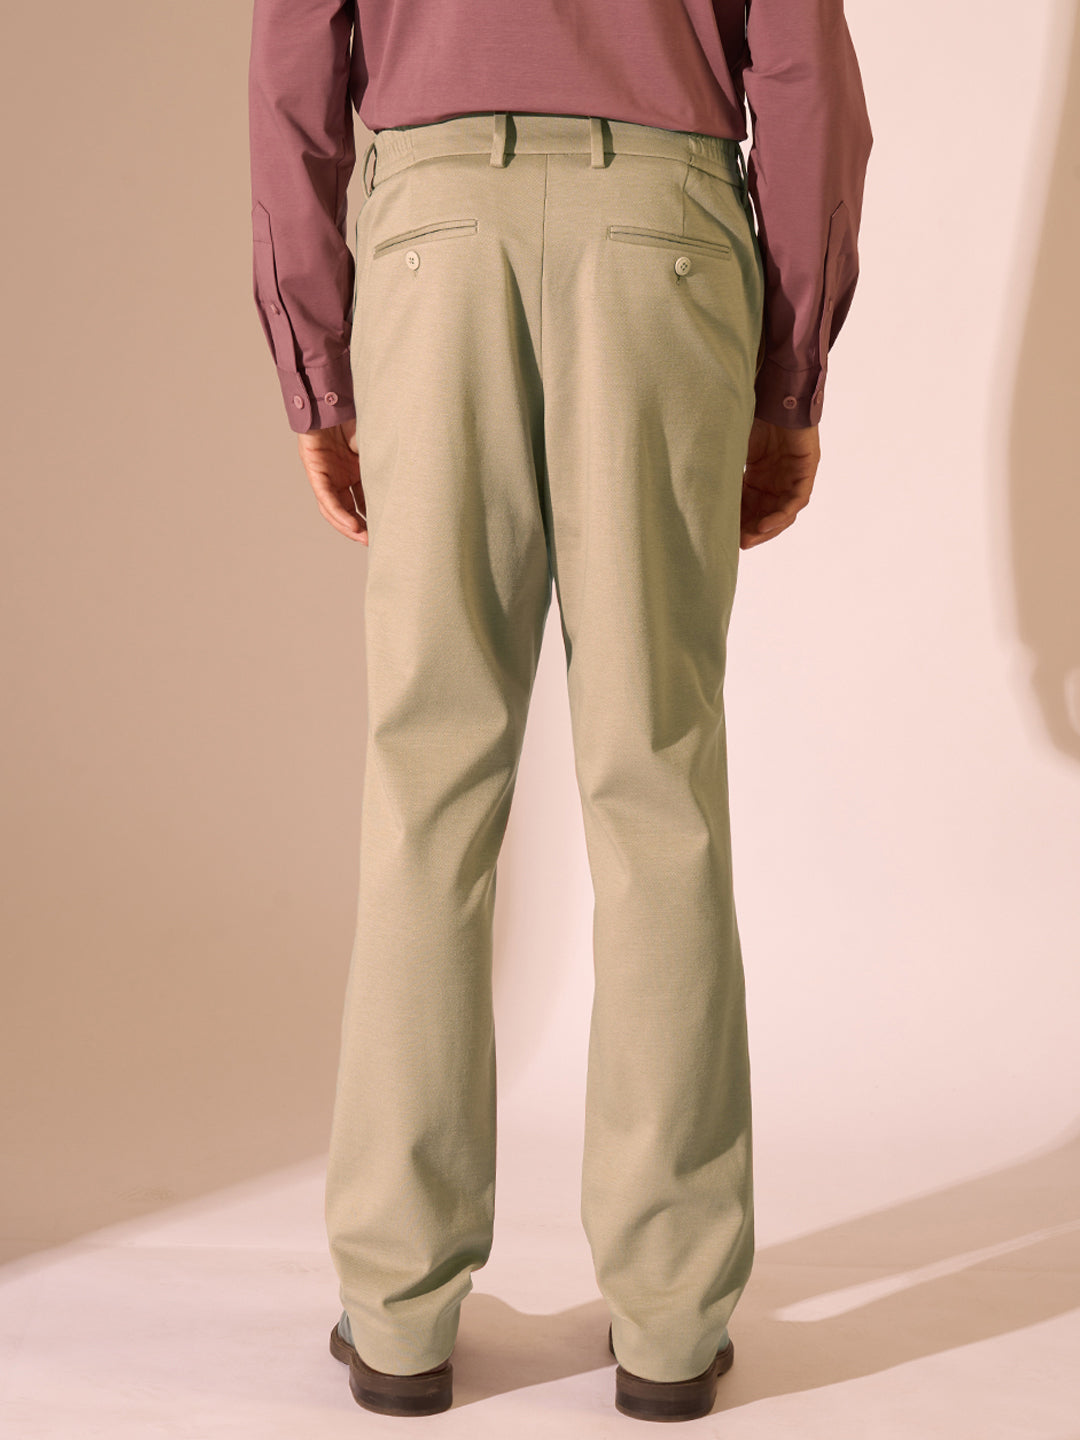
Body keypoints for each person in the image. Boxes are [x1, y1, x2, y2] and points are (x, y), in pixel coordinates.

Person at [249, 0, 872, 1422]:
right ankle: (671, 1323)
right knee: (657, 780)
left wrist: (317, 362)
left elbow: (293, 67)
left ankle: (397, 1311)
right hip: (661, 236)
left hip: (431, 238)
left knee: (428, 785)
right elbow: (805, 75)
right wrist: (790, 373)